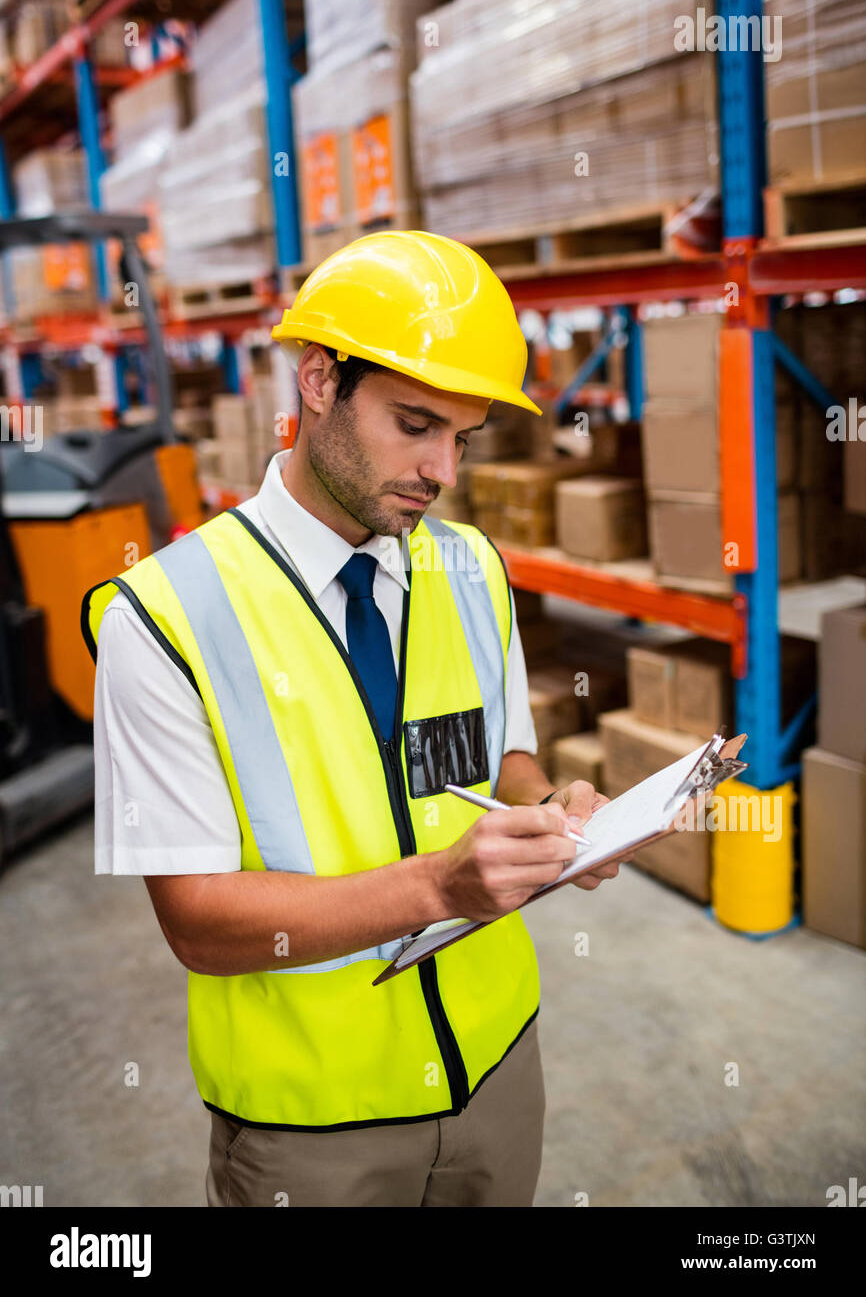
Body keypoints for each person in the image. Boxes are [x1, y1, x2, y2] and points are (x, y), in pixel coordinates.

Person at [81, 230, 632, 1208]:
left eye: (461, 438)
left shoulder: (467, 565)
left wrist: (556, 809)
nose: (441, 471)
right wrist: (437, 883)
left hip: (497, 1066)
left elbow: (494, 754)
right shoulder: (164, 617)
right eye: (414, 423)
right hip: (312, 1125)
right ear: (317, 380)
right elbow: (200, 926)